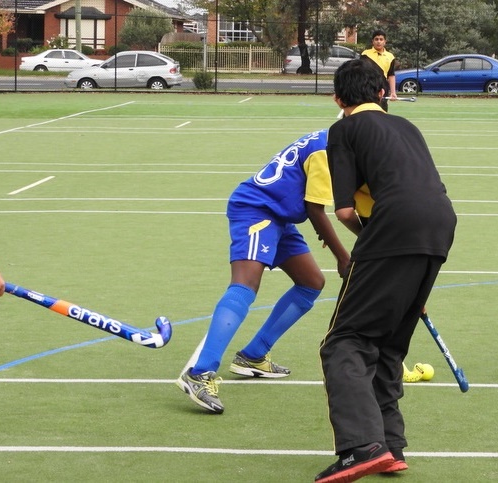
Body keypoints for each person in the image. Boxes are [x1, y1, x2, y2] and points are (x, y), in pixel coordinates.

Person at [315, 59, 457, 482]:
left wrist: (369, 243)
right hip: (441, 226)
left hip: (392, 227)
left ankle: (363, 447)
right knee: (389, 343)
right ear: (382, 93)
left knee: (344, 341)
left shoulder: (343, 129)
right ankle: (390, 446)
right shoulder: (408, 126)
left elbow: (342, 211)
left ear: (339, 99)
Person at [177, 130, 351, 414]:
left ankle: (253, 355)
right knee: (245, 284)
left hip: (279, 215)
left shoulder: (328, 138)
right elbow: (315, 209)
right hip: (257, 209)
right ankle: (199, 374)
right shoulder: (325, 150)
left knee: (311, 282)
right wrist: (342, 257)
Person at [360, 29, 397, 112]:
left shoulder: (390, 57)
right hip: (367, 91)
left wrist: (393, 92)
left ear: (385, 41)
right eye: (376, 39)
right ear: (372, 41)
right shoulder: (365, 54)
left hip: (382, 91)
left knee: (381, 116)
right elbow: (360, 73)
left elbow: (391, 75)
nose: (378, 42)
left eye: (381, 39)